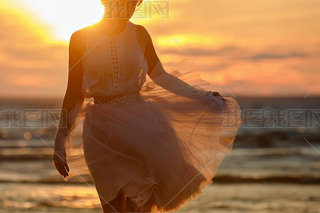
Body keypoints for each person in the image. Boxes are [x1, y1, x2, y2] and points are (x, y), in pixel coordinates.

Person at [52, 0, 242, 212]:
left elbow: (161, 76)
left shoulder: (139, 34)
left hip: (142, 130)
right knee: (111, 208)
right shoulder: (80, 38)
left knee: (139, 205)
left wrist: (201, 97)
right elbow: (74, 93)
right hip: (100, 134)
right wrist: (60, 141)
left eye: (134, 3)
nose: (131, 8)